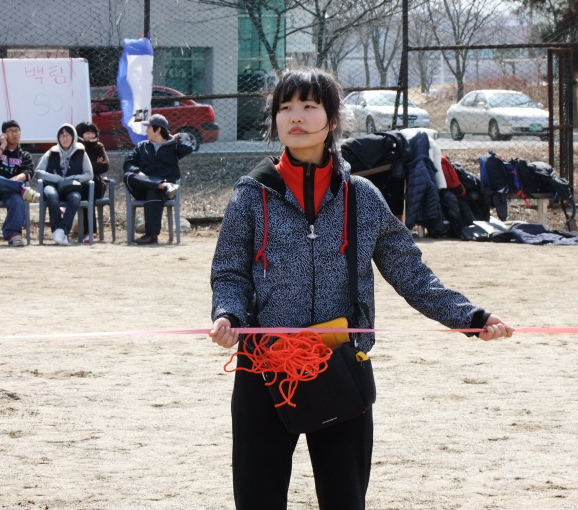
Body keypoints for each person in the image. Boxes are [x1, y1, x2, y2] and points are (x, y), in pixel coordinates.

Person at [209, 68, 514, 510]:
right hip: (264, 364)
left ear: (332, 119)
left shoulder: (363, 197)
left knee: (345, 500)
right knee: (258, 498)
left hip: (340, 365)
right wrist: (229, 314)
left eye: (309, 106)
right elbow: (230, 272)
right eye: (285, 107)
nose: (296, 116)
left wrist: (471, 317)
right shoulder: (249, 195)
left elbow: (412, 274)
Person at [123, 114, 193, 245]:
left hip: (164, 191)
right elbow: (128, 164)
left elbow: (187, 148)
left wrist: (181, 135)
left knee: (153, 192)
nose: (146, 131)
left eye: (149, 128)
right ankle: (161, 184)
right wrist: (139, 173)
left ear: (158, 129)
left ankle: (151, 236)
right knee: (128, 175)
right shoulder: (142, 146)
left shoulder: (173, 147)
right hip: (143, 187)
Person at [35, 124, 93, 246]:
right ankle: (59, 231)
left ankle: (61, 231)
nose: (65, 138)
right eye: (62, 136)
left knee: (75, 197)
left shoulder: (81, 152)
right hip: (52, 185)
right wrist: (55, 178)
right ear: (58, 138)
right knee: (52, 195)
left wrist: (73, 178)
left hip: (70, 187)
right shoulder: (51, 152)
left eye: (68, 135)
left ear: (73, 137)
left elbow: (89, 174)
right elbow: (38, 172)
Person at [0, 120, 38, 247]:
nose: (14, 133)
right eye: (10, 131)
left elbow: (28, 172)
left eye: (16, 130)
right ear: (4, 134)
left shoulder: (24, 155)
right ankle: (21, 189)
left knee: (16, 198)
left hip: (9, 191)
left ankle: (13, 234)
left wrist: (14, 180)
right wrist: (2, 146)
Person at [76, 121, 109, 243]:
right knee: (86, 191)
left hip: (97, 184)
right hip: (81, 184)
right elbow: (76, 166)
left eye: (92, 133)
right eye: (87, 133)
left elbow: (105, 166)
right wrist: (95, 164)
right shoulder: (76, 147)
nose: (90, 136)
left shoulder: (99, 146)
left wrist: (87, 166)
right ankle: (89, 231)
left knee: (92, 182)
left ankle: (89, 231)